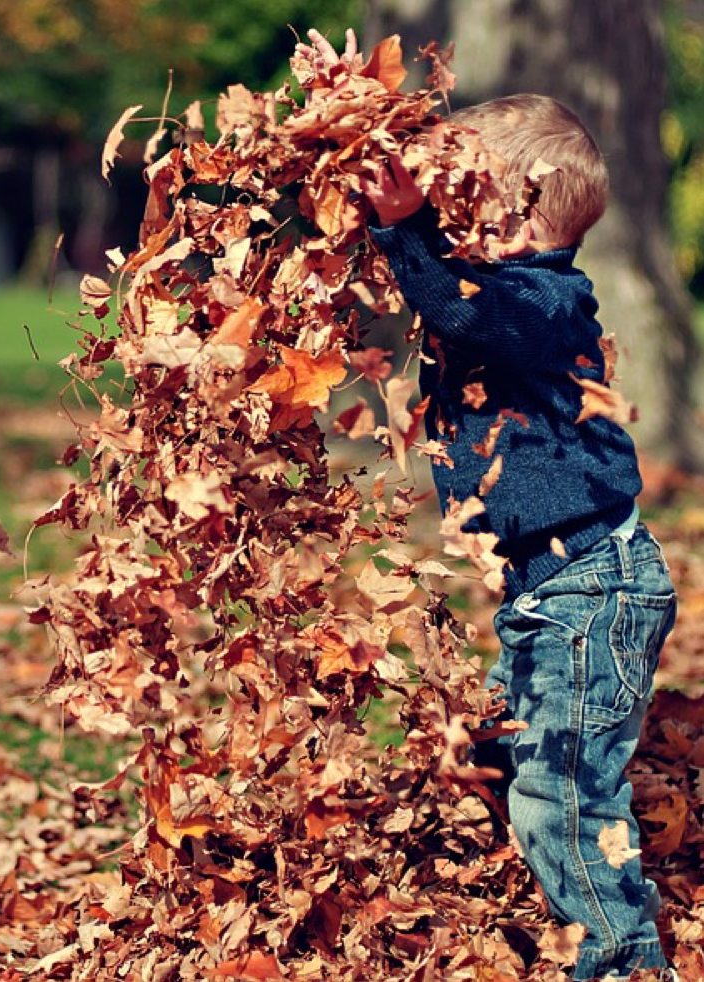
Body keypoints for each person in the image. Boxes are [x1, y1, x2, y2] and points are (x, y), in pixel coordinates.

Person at [298, 34, 678, 982]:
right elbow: (443, 298)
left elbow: (460, 310)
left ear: (512, 216)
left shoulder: (545, 300)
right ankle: (566, 913)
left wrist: (406, 230)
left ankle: (626, 966)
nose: (439, 210)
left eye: (456, 195)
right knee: (521, 765)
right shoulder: (500, 290)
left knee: (561, 794)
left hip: (591, 589)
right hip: (552, 592)